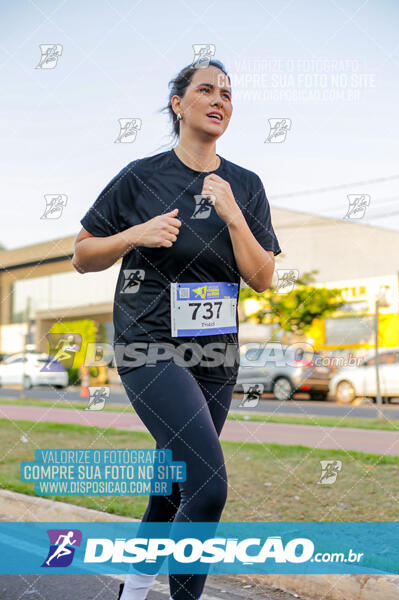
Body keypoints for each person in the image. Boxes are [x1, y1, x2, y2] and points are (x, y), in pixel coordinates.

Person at [73, 59, 281, 600]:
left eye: (228, 94)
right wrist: (135, 233)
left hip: (215, 353)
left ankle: (134, 588)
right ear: (178, 104)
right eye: (206, 90)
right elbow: (82, 255)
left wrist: (234, 214)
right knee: (207, 486)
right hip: (149, 346)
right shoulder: (141, 177)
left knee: (172, 485)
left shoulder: (247, 185)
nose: (219, 100)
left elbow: (262, 277)